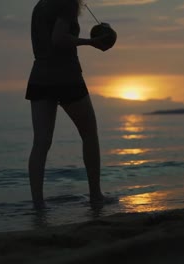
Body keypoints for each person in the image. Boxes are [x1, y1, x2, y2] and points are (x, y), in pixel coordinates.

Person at [25, 0, 113, 209]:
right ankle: (95, 196)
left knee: (41, 143)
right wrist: (91, 42)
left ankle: (38, 204)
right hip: (66, 77)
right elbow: (58, 39)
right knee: (89, 133)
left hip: (39, 77)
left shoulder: (41, 5)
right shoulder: (66, 3)